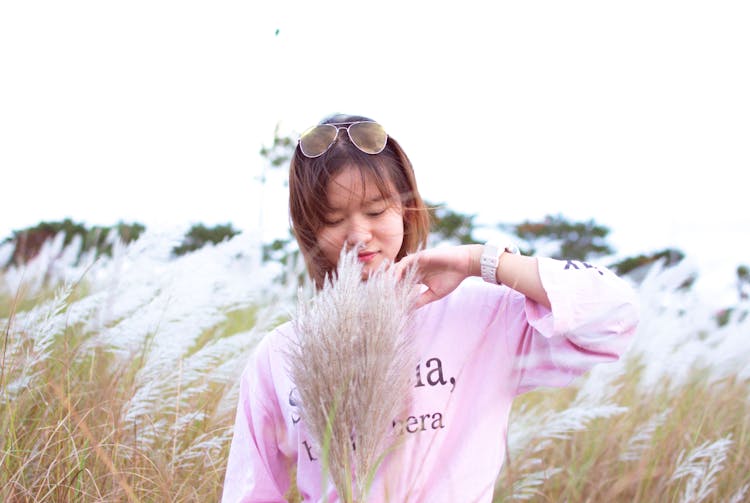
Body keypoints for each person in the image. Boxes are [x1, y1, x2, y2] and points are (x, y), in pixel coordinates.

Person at [222, 113, 639, 502]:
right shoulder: (281, 353)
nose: (358, 234)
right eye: (332, 219)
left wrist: (479, 262)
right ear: (308, 228)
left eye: (375, 210)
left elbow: (615, 316)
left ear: (406, 207)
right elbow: (250, 491)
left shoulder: (480, 316)